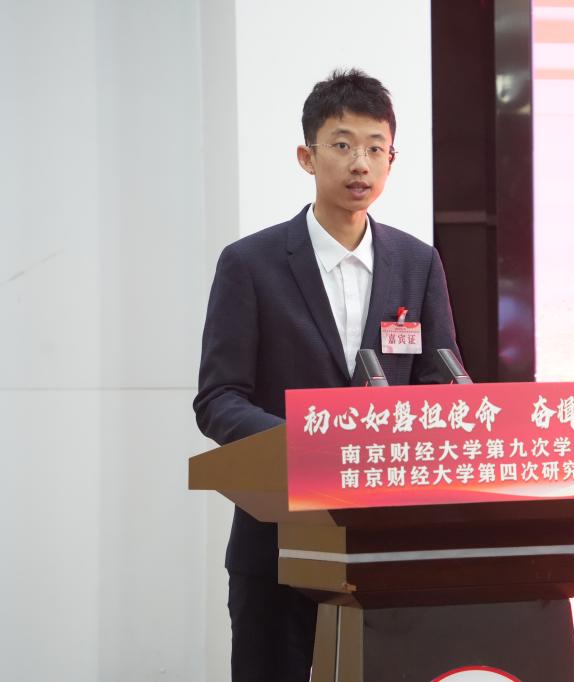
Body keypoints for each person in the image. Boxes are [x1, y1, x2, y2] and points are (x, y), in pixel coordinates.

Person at [194, 68, 462, 682]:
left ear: (392, 160)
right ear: (307, 156)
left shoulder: (418, 263)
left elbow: (441, 384)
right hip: (278, 540)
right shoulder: (250, 263)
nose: (360, 164)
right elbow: (219, 398)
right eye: (342, 145)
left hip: (388, 545)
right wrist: (308, 445)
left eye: (375, 148)